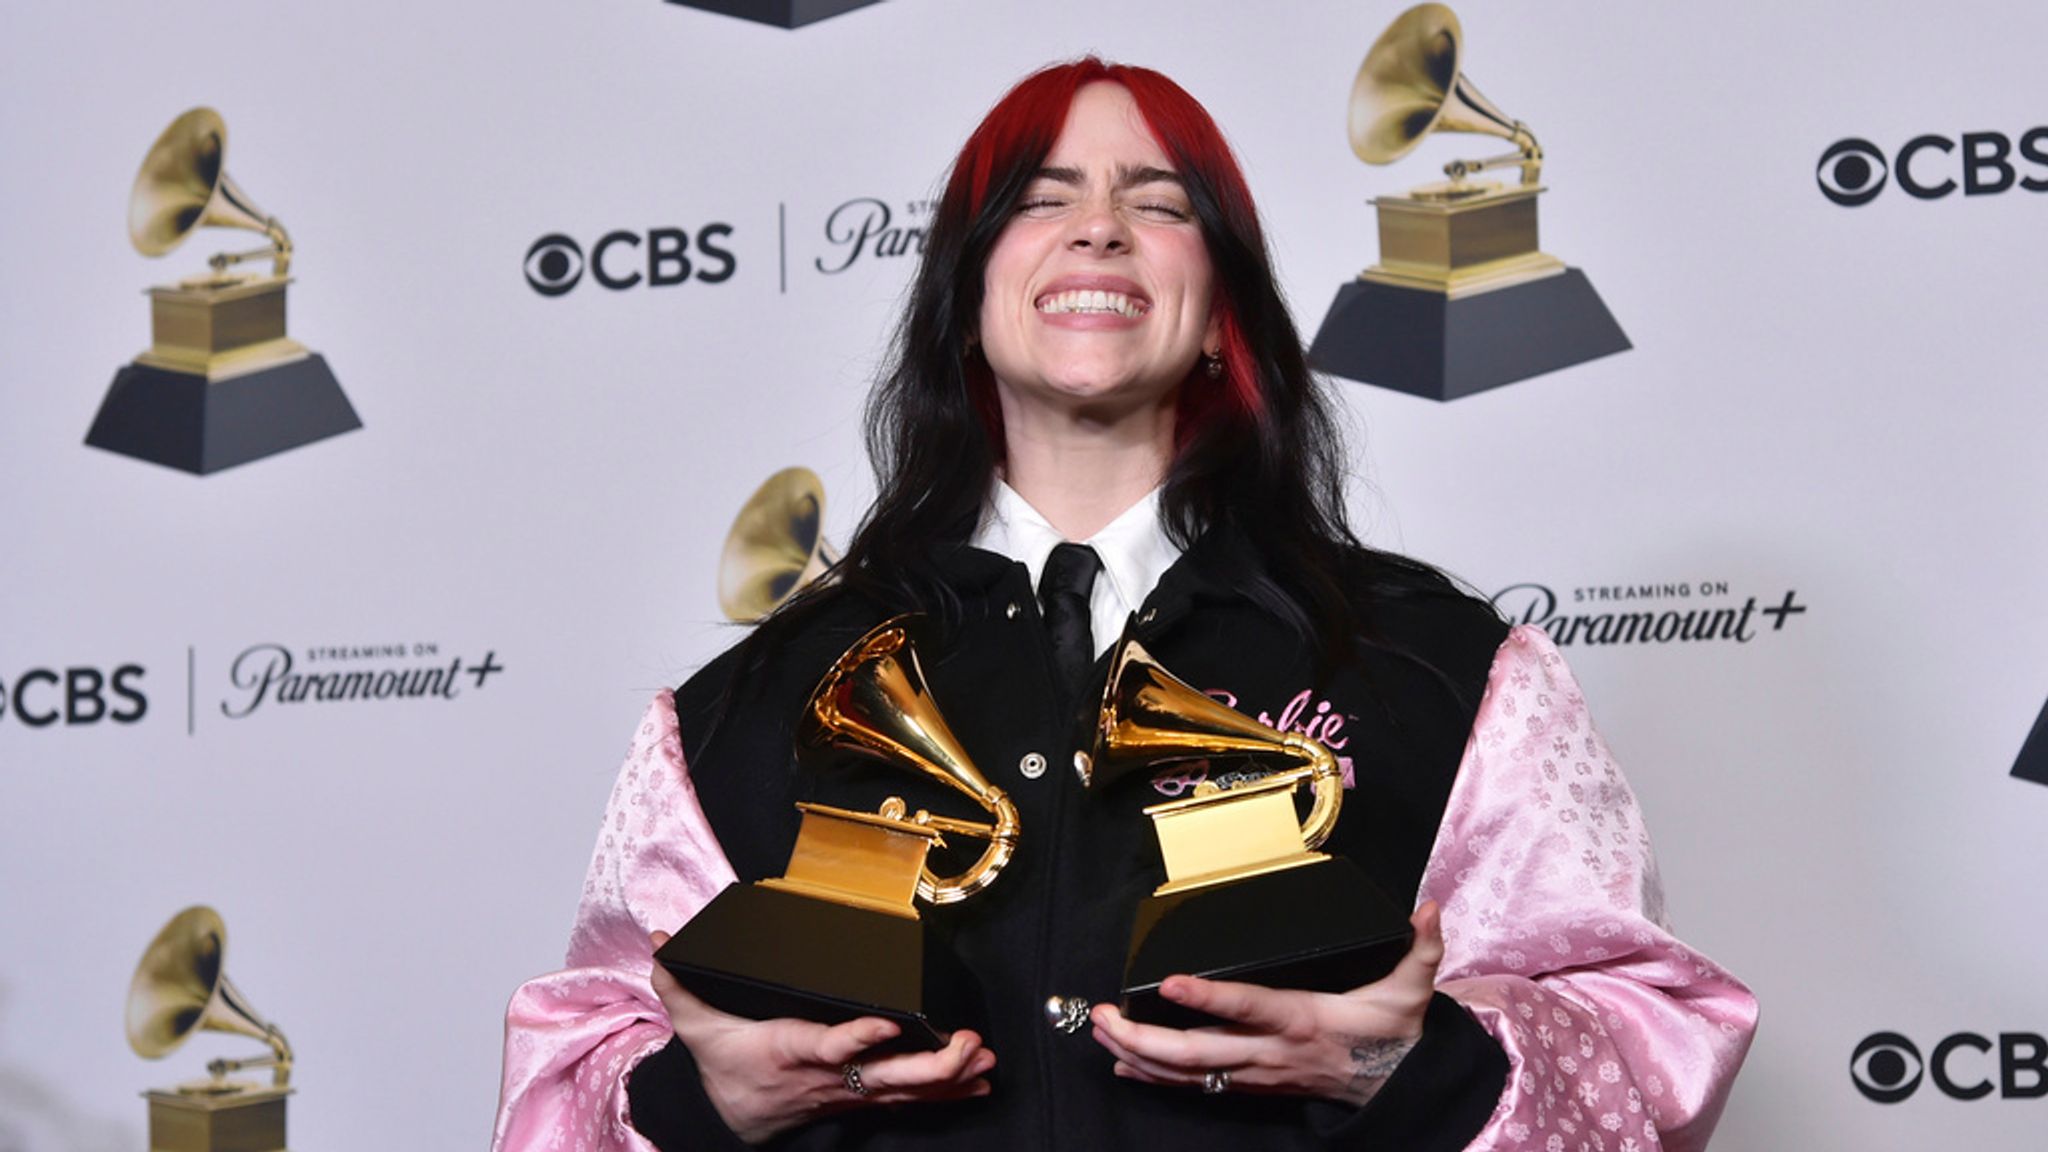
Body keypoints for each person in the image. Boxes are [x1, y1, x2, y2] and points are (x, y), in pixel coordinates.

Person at [492, 58, 1756, 1152]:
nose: (1096, 230)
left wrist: (1399, 1068)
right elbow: (565, 1095)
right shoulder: (739, 709)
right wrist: (707, 1105)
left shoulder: (1442, 669)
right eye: (1040, 201)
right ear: (966, 298)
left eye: (1156, 205)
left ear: (1220, 316)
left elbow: (1643, 1060)